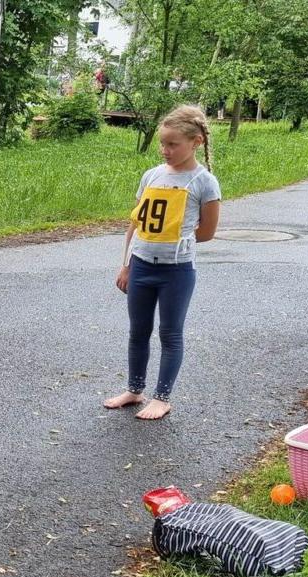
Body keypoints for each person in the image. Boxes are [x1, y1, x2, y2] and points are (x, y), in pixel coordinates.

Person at [104, 105, 221, 421]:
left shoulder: (204, 181)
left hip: (176, 271)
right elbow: (135, 223)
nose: (166, 150)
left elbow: (207, 232)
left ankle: (162, 397)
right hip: (141, 265)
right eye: (163, 143)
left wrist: (174, 240)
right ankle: (135, 389)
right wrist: (126, 264)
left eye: (173, 144)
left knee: (170, 333)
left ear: (195, 142)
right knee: (138, 331)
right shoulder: (152, 175)